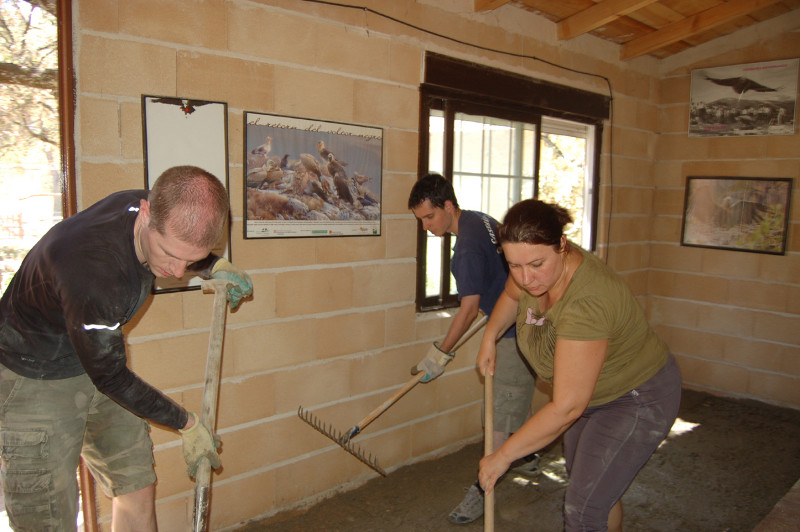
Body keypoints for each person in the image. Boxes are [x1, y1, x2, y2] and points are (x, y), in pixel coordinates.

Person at [0, 165, 253, 531]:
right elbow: (112, 377)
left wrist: (215, 265)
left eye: (191, 259)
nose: (178, 271)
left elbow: (105, 371)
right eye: (169, 254)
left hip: (91, 360)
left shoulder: (158, 210)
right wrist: (187, 423)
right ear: (146, 212)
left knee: (134, 482)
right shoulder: (93, 269)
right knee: (48, 518)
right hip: (33, 374)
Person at [476, 199, 682, 531]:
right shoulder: (531, 268)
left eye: (536, 264)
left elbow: (568, 407)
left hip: (636, 397)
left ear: (562, 244)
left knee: (584, 510)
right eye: (514, 265)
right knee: (595, 488)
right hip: (591, 394)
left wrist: (503, 456)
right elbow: (512, 295)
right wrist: (491, 336)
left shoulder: (588, 301)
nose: (527, 278)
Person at [408, 173, 538, 525]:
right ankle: (531, 452)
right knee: (514, 396)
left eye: (429, 217)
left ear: (448, 207)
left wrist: (441, 353)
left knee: (495, 414)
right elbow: (499, 276)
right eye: (421, 220)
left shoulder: (464, 249)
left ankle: (482, 490)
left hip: (516, 334)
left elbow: (468, 308)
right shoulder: (480, 219)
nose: (425, 227)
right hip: (526, 318)